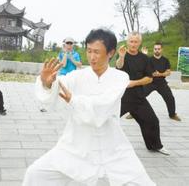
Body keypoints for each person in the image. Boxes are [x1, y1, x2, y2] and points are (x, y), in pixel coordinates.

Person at [23, 29, 156, 186]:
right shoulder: (78, 76)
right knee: (36, 174)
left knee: (140, 181)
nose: (92, 57)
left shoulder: (120, 78)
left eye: (97, 52)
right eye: (89, 51)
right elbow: (60, 86)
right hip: (77, 143)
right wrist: (47, 83)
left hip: (112, 145)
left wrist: (74, 100)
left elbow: (104, 104)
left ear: (110, 53)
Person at [116, 32, 169, 155]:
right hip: (122, 97)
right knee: (107, 118)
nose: (133, 44)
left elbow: (149, 78)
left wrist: (134, 83)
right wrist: (122, 57)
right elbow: (119, 67)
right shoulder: (122, 55)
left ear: (140, 43)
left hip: (139, 98)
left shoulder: (145, 59)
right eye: (131, 41)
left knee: (152, 121)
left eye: (136, 42)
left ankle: (155, 146)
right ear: (127, 41)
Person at [142, 42, 181, 121]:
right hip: (150, 82)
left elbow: (168, 72)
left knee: (170, 97)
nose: (157, 50)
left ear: (161, 49)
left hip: (161, 83)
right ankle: (133, 113)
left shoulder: (165, 60)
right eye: (155, 49)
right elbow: (143, 68)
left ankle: (172, 114)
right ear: (153, 49)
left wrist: (160, 74)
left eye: (158, 49)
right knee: (139, 95)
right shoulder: (149, 59)